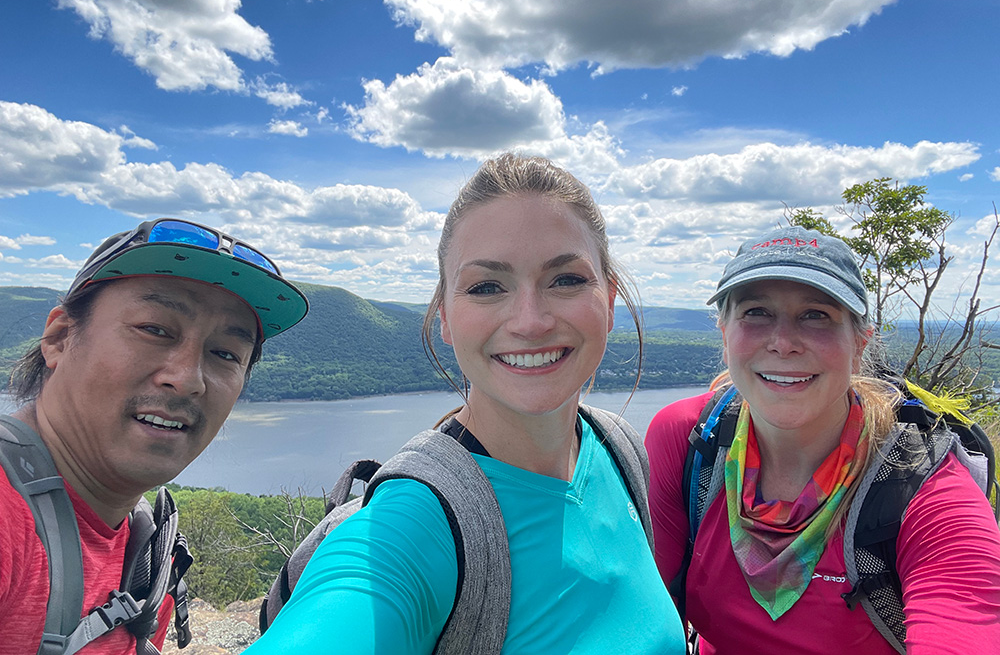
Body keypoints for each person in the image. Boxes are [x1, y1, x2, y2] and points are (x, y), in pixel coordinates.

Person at [247, 153, 686, 654]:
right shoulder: (415, 525)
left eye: (565, 279)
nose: (531, 321)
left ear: (608, 302)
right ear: (446, 320)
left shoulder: (617, 448)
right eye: (486, 287)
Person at [645, 226, 1000, 654]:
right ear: (725, 335)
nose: (783, 343)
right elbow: (647, 610)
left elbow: (964, 618)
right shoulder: (691, 441)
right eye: (756, 312)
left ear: (859, 342)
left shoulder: (919, 484)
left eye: (816, 315)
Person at [1, 218, 308, 654]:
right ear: (60, 338)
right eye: (155, 329)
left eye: (225, 353)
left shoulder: (149, 542)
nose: (188, 379)